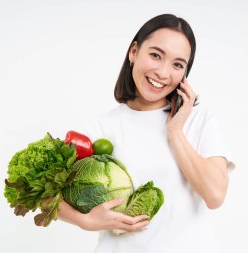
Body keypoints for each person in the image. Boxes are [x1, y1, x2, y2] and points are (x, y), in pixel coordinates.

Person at [57, 13, 236, 253]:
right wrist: (85, 220)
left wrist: (175, 131)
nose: (163, 72)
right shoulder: (99, 128)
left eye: (177, 64)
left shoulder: (198, 120)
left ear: (184, 74)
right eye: (155, 55)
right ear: (133, 52)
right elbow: (44, 193)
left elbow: (215, 195)